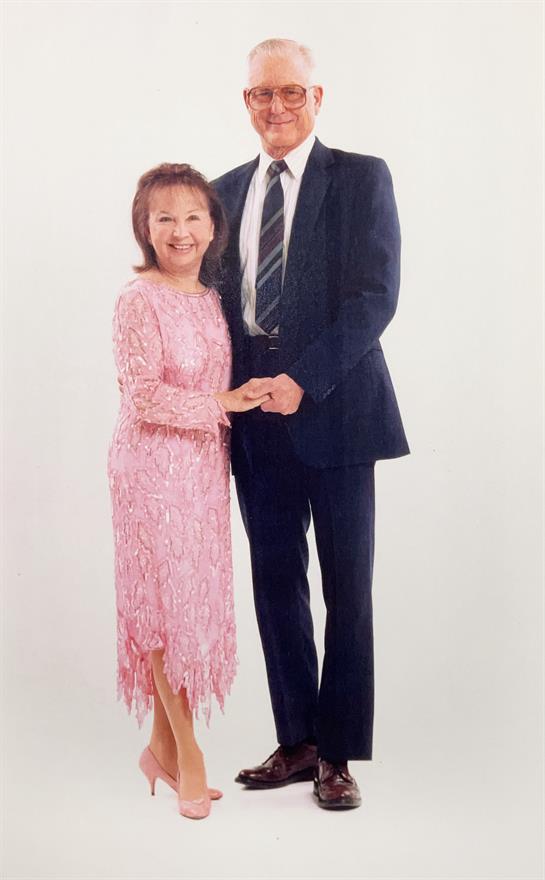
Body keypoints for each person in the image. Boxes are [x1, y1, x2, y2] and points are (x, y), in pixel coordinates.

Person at [213, 38, 409, 810]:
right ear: (246, 104)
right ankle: (295, 742)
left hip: (336, 411)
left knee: (347, 588)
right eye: (262, 95)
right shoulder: (223, 191)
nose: (276, 108)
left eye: (290, 93)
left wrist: (303, 379)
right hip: (254, 422)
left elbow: (375, 296)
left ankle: (337, 753)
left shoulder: (360, 177)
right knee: (274, 584)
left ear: (316, 98)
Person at [108, 163, 269, 819]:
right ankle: (189, 756)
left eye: (193, 216)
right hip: (149, 469)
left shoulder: (211, 297)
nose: (180, 230)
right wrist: (224, 401)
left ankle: (157, 749)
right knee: (161, 609)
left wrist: (248, 398)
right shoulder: (136, 299)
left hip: (203, 473)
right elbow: (141, 396)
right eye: (164, 217)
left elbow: (226, 386)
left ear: (213, 224)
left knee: (189, 607)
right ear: (145, 227)